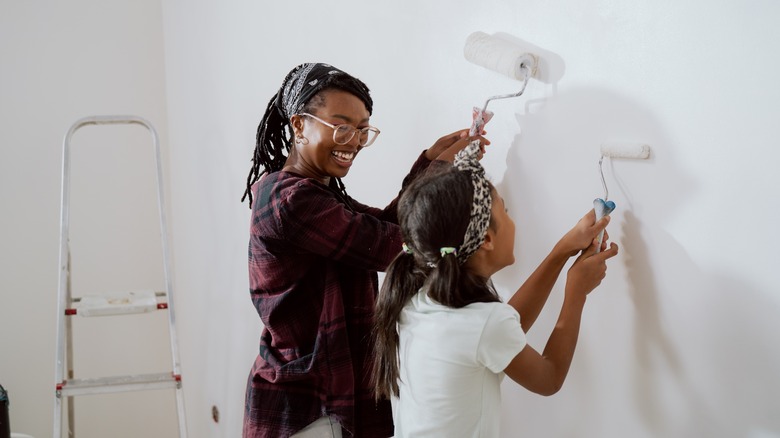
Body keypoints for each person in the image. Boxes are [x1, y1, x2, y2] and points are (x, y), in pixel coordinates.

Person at [240, 62, 487, 438]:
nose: (354, 141)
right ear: (299, 125)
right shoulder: (290, 201)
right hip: (306, 408)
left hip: (329, 400)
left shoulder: (315, 194)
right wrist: (438, 170)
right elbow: (390, 246)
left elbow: (386, 227)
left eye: (362, 129)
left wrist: (430, 163)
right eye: (341, 126)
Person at [372, 142, 619, 437]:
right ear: (487, 239)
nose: (513, 220)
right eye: (506, 211)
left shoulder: (418, 298)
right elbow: (549, 377)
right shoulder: (482, 324)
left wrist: (560, 252)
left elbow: (499, 330)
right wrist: (576, 293)